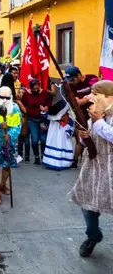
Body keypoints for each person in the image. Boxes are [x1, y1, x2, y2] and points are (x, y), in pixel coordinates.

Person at [69, 80, 113, 258]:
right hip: (94, 169)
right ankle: (93, 236)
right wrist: (83, 137)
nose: (91, 98)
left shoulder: (99, 118)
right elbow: (87, 143)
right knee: (88, 207)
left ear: (110, 97)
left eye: (96, 94)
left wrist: (100, 122)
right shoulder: (93, 116)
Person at [65, 66, 98, 168]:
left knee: (95, 138)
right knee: (81, 139)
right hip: (81, 116)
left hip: (96, 114)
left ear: (79, 75)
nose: (71, 82)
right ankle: (75, 161)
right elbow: (76, 102)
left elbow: (96, 93)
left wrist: (85, 99)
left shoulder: (91, 78)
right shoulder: (70, 86)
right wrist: (87, 98)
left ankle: (93, 159)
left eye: (73, 79)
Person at [21, 79, 51, 165]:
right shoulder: (26, 94)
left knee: (43, 139)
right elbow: (23, 104)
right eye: (34, 89)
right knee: (34, 140)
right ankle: (36, 156)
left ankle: (43, 155)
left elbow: (49, 103)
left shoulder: (44, 93)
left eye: (37, 88)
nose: (36, 90)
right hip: (32, 120)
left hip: (42, 120)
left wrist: (46, 108)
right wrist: (25, 111)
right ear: (30, 88)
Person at [42, 100, 74, 170]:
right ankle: (51, 162)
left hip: (63, 137)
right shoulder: (52, 117)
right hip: (53, 136)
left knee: (63, 146)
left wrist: (69, 132)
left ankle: (63, 163)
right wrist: (44, 111)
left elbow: (71, 125)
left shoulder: (69, 118)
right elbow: (45, 116)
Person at [16, 87, 30, 162]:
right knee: (20, 139)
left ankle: (27, 156)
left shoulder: (26, 101)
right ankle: (20, 154)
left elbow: (25, 111)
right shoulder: (16, 101)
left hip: (26, 120)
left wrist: (20, 103)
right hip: (18, 120)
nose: (21, 94)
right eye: (19, 92)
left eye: (23, 93)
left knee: (27, 139)